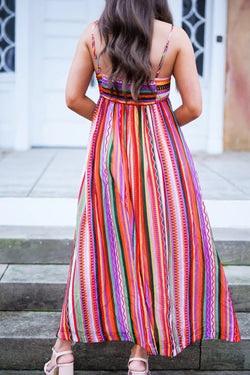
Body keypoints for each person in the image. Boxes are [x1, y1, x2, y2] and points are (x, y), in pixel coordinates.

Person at [44, 0, 241, 374]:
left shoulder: (93, 34)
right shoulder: (175, 39)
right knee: (154, 248)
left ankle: (64, 348)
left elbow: (73, 99)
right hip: (162, 157)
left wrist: (113, 122)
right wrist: (156, 127)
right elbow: (193, 107)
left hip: (110, 153)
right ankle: (139, 355)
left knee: (95, 243)